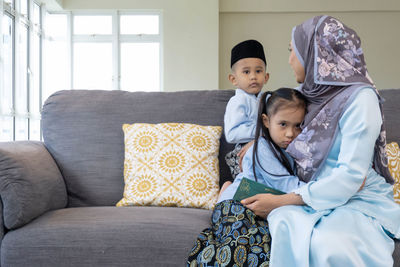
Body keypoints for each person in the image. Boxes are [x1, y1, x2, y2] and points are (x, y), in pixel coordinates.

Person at [241, 15, 400, 266]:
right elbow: (281, 125)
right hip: (314, 195)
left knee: (328, 243)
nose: (290, 60)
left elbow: (350, 178)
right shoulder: (309, 95)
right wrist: (261, 142)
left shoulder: (361, 99)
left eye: (293, 51)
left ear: (316, 52)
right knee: (284, 223)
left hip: (356, 198)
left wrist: (282, 200)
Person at [187, 87, 306, 266]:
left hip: (260, 208)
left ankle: (226, 189)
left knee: (266, 249)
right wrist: (325, 188)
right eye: (283, 124)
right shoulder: (261, 149)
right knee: (240, 250)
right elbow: (287, 185)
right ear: (266, 121)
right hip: (236, 204)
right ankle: (224, 194)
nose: (290, 133)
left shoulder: (291, 149)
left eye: (298, 125)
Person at [224, 39, 270, 179]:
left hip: (264, 145)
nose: (253, 76)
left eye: (258, 71)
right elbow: (232, 134)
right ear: (234, 79)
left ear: (266, 77)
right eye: (246, 72)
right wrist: (263, 132)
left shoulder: (268, 99)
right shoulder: (238, 101)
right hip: (244, 151)